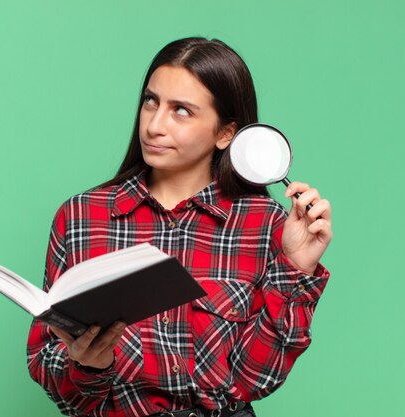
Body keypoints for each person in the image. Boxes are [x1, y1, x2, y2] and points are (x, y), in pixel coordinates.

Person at [27, 37, 332, 417]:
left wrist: (296, 267)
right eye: (150, 101)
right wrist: (90, 365)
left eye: (181, 111)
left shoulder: (263, 223)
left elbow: (255, 378)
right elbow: (46, 364)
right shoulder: (82, 217)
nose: (155, 125)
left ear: (226, 134)